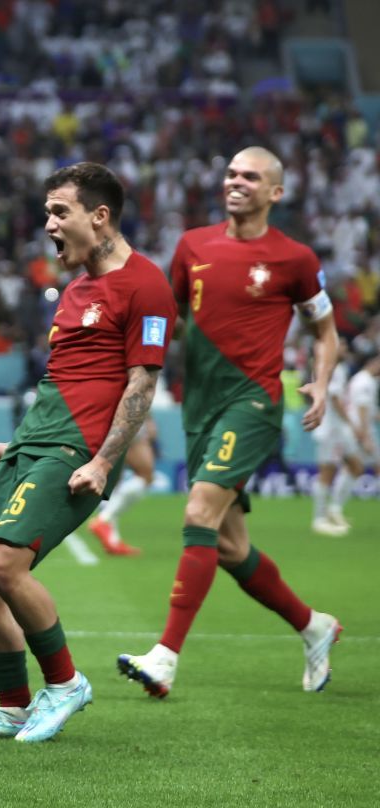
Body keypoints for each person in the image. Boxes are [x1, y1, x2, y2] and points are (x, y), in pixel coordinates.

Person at [0, 163, 176, 743]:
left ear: (99, 216)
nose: (48, 225)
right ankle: (13, 707)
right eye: (47, 212)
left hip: (78, 449)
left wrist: (101, 462)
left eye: (60, 212)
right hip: (36, 442)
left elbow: (141, 384)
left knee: (4, 562)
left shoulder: (146, 284)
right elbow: (62, 379)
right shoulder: (74, 291)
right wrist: (17, 442)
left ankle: (66, 683)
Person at [118, 146, 341, 698]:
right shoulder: (193, 245)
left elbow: (326, 332)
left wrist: (320, 380)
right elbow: (167, 318)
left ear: (276, 193)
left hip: (254, 403)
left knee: (198, 513)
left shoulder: (295, 259)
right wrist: (128, 367)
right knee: (229, 546)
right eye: (231, 173)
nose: (236, 182)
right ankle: (314, 627)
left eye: (251, 176)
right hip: (200, 408)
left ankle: (165, 656)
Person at [311, 344, 378, 535]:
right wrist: (352, 424)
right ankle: (319, 519)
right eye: (340, 346)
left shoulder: (338, 369)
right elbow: (334, 399)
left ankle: (333, 510)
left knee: (356, 465)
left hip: (340, 429)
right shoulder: (330, 368)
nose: (345, 348)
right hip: (330, 429)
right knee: (327, 472)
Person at [87, 415, 157, 555]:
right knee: (145, 475)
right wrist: (148, 418)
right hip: (128, 416)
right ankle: (103, 520)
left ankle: (113, 541)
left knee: (113, 480)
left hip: (103, 418)